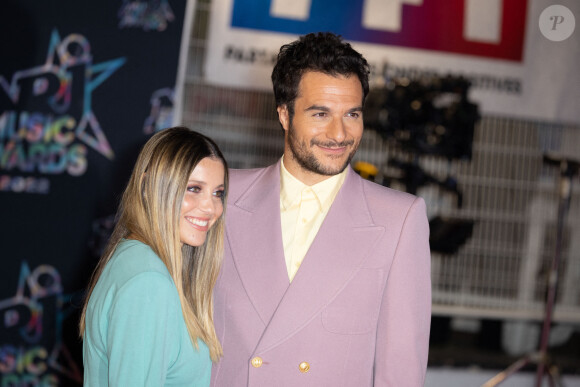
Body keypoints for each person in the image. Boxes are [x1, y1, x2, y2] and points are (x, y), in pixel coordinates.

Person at [210, 32, 431, 386]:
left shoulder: (399, 219)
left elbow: (402, 369)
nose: (340, 133)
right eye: (320, 113)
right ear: (284, 114)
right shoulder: (220, 195)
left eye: (352, 114)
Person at [79, 127, 228, 386]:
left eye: (218, 193)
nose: (210, 207)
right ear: (148, 186)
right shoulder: (149, 282)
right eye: (194, 188)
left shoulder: (133, 257)